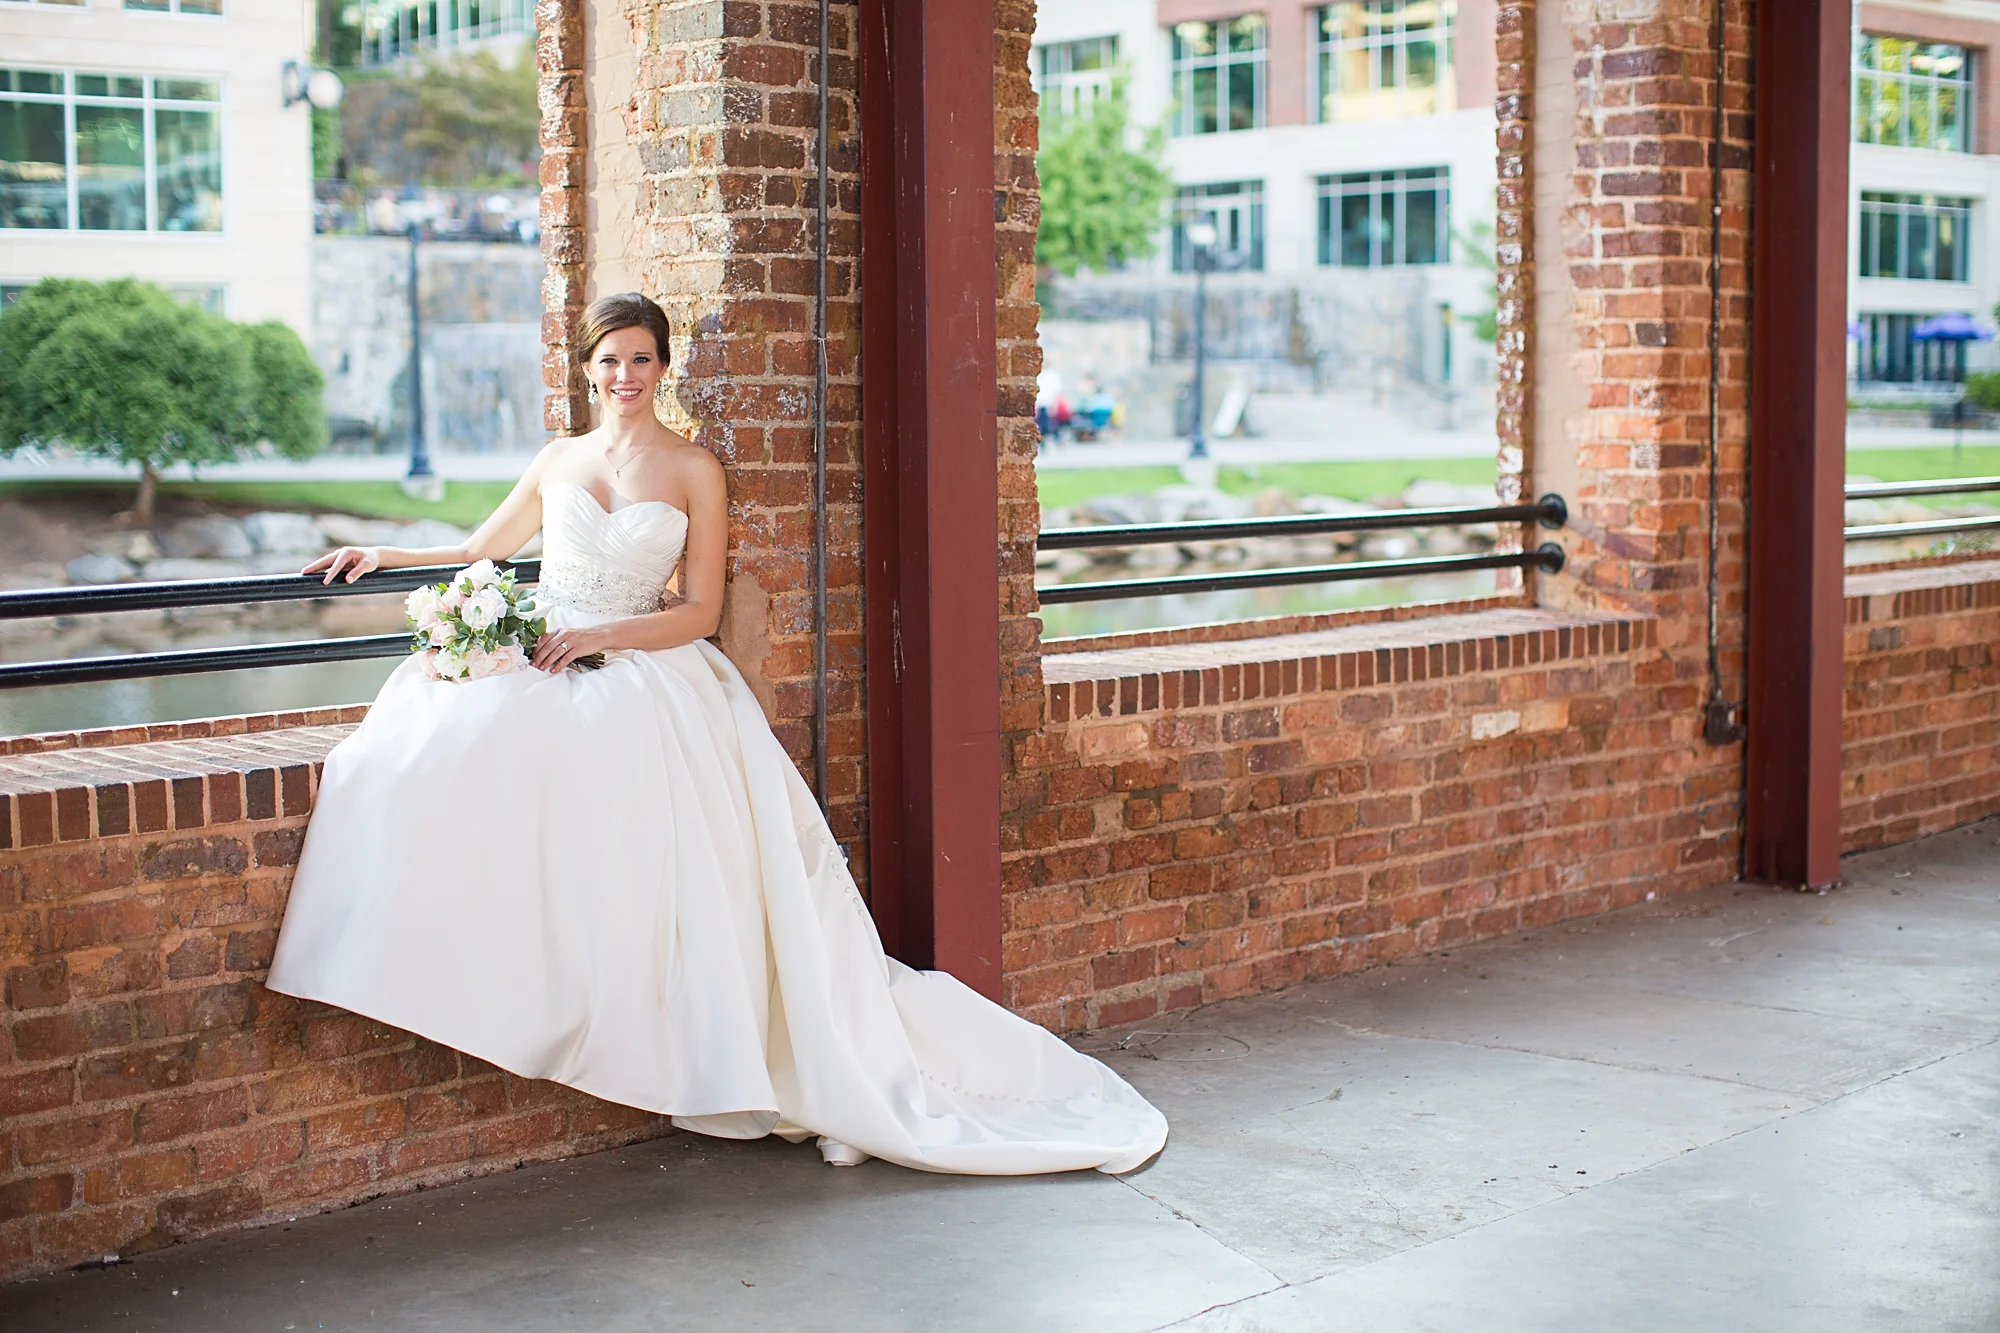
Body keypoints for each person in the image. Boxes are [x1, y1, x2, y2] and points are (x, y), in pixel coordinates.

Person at [268, 293, 1167, 1175]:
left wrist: (601, 635)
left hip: (642, 661)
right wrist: (383, 555)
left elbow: (697, 612)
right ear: (586, 369)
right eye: (610, 359)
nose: (626, 374)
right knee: (420, 754)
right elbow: (479, 548)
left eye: (642, 358)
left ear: (663, 368)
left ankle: (690, 1036)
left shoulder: (694, 468)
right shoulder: (557, 458)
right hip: (549, 653)